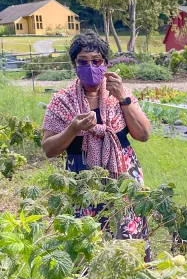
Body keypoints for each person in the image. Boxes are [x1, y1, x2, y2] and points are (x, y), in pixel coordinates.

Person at [42, 30, 152, 261]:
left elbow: (143, 134)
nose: (90, 67)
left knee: (126, 240)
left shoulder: (119, 95)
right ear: (74, 65)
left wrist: (123, 96)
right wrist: (72, 129)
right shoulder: (62, 100)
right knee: (87, 241)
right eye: (83, 62)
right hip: (81, 179)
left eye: (96, 61)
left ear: (106, 64)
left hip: (122, 176)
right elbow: (49, 149)